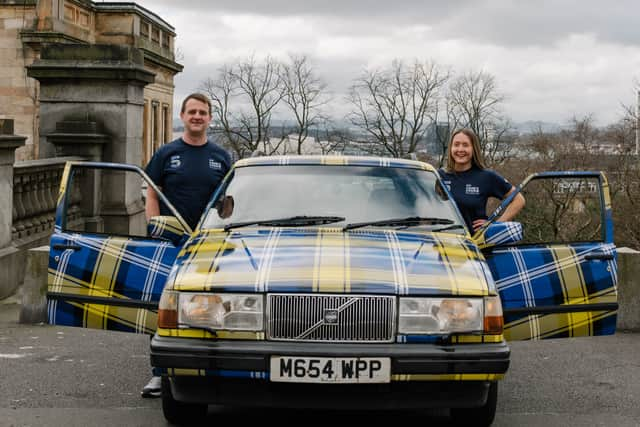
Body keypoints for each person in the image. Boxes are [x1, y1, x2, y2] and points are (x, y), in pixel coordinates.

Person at [141, 93, 232, 398]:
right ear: (182, 116)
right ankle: (161, 374)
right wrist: (155, 225)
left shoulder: (221, 157)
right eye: (192, 111)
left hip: (210, 244)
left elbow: (228, 203)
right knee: (166, 306)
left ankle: (213, 366)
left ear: (210, 118)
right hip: (171, 242)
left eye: (202, 112)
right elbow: (152, 193)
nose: (197, 116)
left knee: (212, 305)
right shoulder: (166, 154)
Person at [438, 128, 525, 233]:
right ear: (451, 148)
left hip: (475, 245)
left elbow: (519, 200)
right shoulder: (438, 176)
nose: (460, 149)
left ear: (474, 148)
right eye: (456, 144)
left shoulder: (487, 177)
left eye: (465, 145)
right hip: (443, 242)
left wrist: (496, 226)